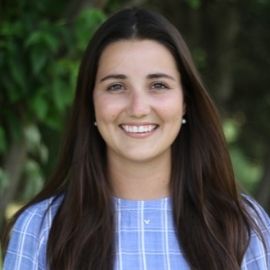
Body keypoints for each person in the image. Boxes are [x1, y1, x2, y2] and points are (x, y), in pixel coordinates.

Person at [2, 7, 270, 270]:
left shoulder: (243, 226)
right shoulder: (40, 228)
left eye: (158, 85)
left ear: (185, 102)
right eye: (116, 87)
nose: (138, 108)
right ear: (91, 102)